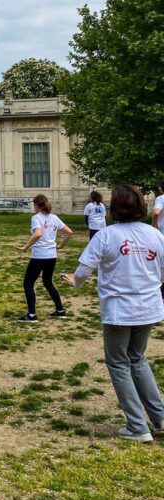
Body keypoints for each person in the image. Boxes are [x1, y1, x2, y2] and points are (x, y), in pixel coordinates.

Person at [61, 185, 164, 442]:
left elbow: (84, 269)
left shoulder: (106, 236)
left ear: (114, 208)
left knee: (119, 363)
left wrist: (75, 282)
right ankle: (160, 418)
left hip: (120, 309)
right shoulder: (155, 234)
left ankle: (137, 426)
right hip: (148, 307)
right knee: (138, 359)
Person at [17, 194, 72, 322]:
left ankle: (31, 315)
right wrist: (60, 246)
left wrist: (26, 247)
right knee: (48, 282)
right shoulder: (54, 218)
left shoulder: (36, 218)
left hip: (39, 256)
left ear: (36, 205)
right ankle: (60, 310)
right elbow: (69, 232)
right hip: (51, 256)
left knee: (28, 284)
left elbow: (38, 233)